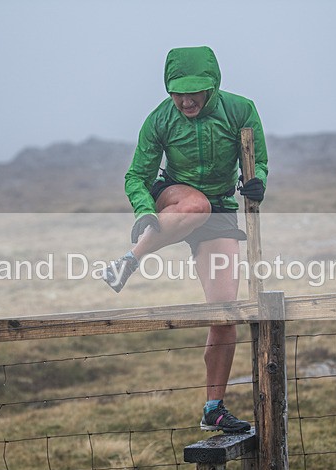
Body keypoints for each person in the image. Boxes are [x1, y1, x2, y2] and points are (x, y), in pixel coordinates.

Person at [102, 46, 268, 433]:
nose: (186, 99)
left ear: (213, 85)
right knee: (196, 206)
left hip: (221, 208)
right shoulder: (160, 119)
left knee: (225, 312)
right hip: (174, 196)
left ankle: (213, 407)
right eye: (178, 91)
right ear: (168, 88)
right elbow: (136, 176)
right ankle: (129, 261)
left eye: (195, 90)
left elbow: (257, 158)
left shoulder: (240, 110)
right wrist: (145, 211)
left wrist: (256, 180)